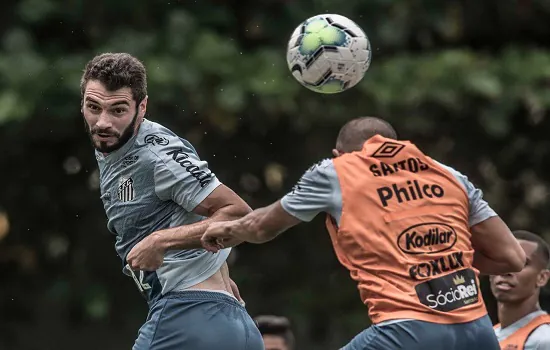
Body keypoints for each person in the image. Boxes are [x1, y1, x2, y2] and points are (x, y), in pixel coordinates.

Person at [201, 116, 527, 350]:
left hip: (407, 330)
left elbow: (261, 227)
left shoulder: (337, 172)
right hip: (479, 331)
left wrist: (226, 229)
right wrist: (445, 261)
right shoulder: (449, 174)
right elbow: (512, 256)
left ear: (338, 154)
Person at [81, 52, 264, 350]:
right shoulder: (117, 144)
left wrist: (161, 241)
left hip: (187, 318)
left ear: (142, 108)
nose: (102, 122)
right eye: (93, 107)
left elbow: (238, 214)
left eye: (117, 110)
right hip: (230, 324)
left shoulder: (157, 158)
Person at [491, 230, 550, 350]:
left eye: (521, 263)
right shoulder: (488, 335)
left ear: (542, 278)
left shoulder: (543, 340)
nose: (506, 270)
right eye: (501, 260)